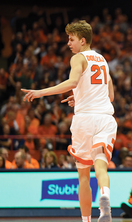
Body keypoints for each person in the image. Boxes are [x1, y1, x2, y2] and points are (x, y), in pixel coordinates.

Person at [21, 20, 117, 222]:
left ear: (82, 41)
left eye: (71, 39)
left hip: (84, 121)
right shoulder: (102, 60)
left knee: (83, 175)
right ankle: (105, 196)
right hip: (105, 119)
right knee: (101, 166)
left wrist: (40, 93)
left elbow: (73, 82)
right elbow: (110, 95)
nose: (68, 43)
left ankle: (86, 220)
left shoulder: (78, 58)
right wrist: (81, 95)